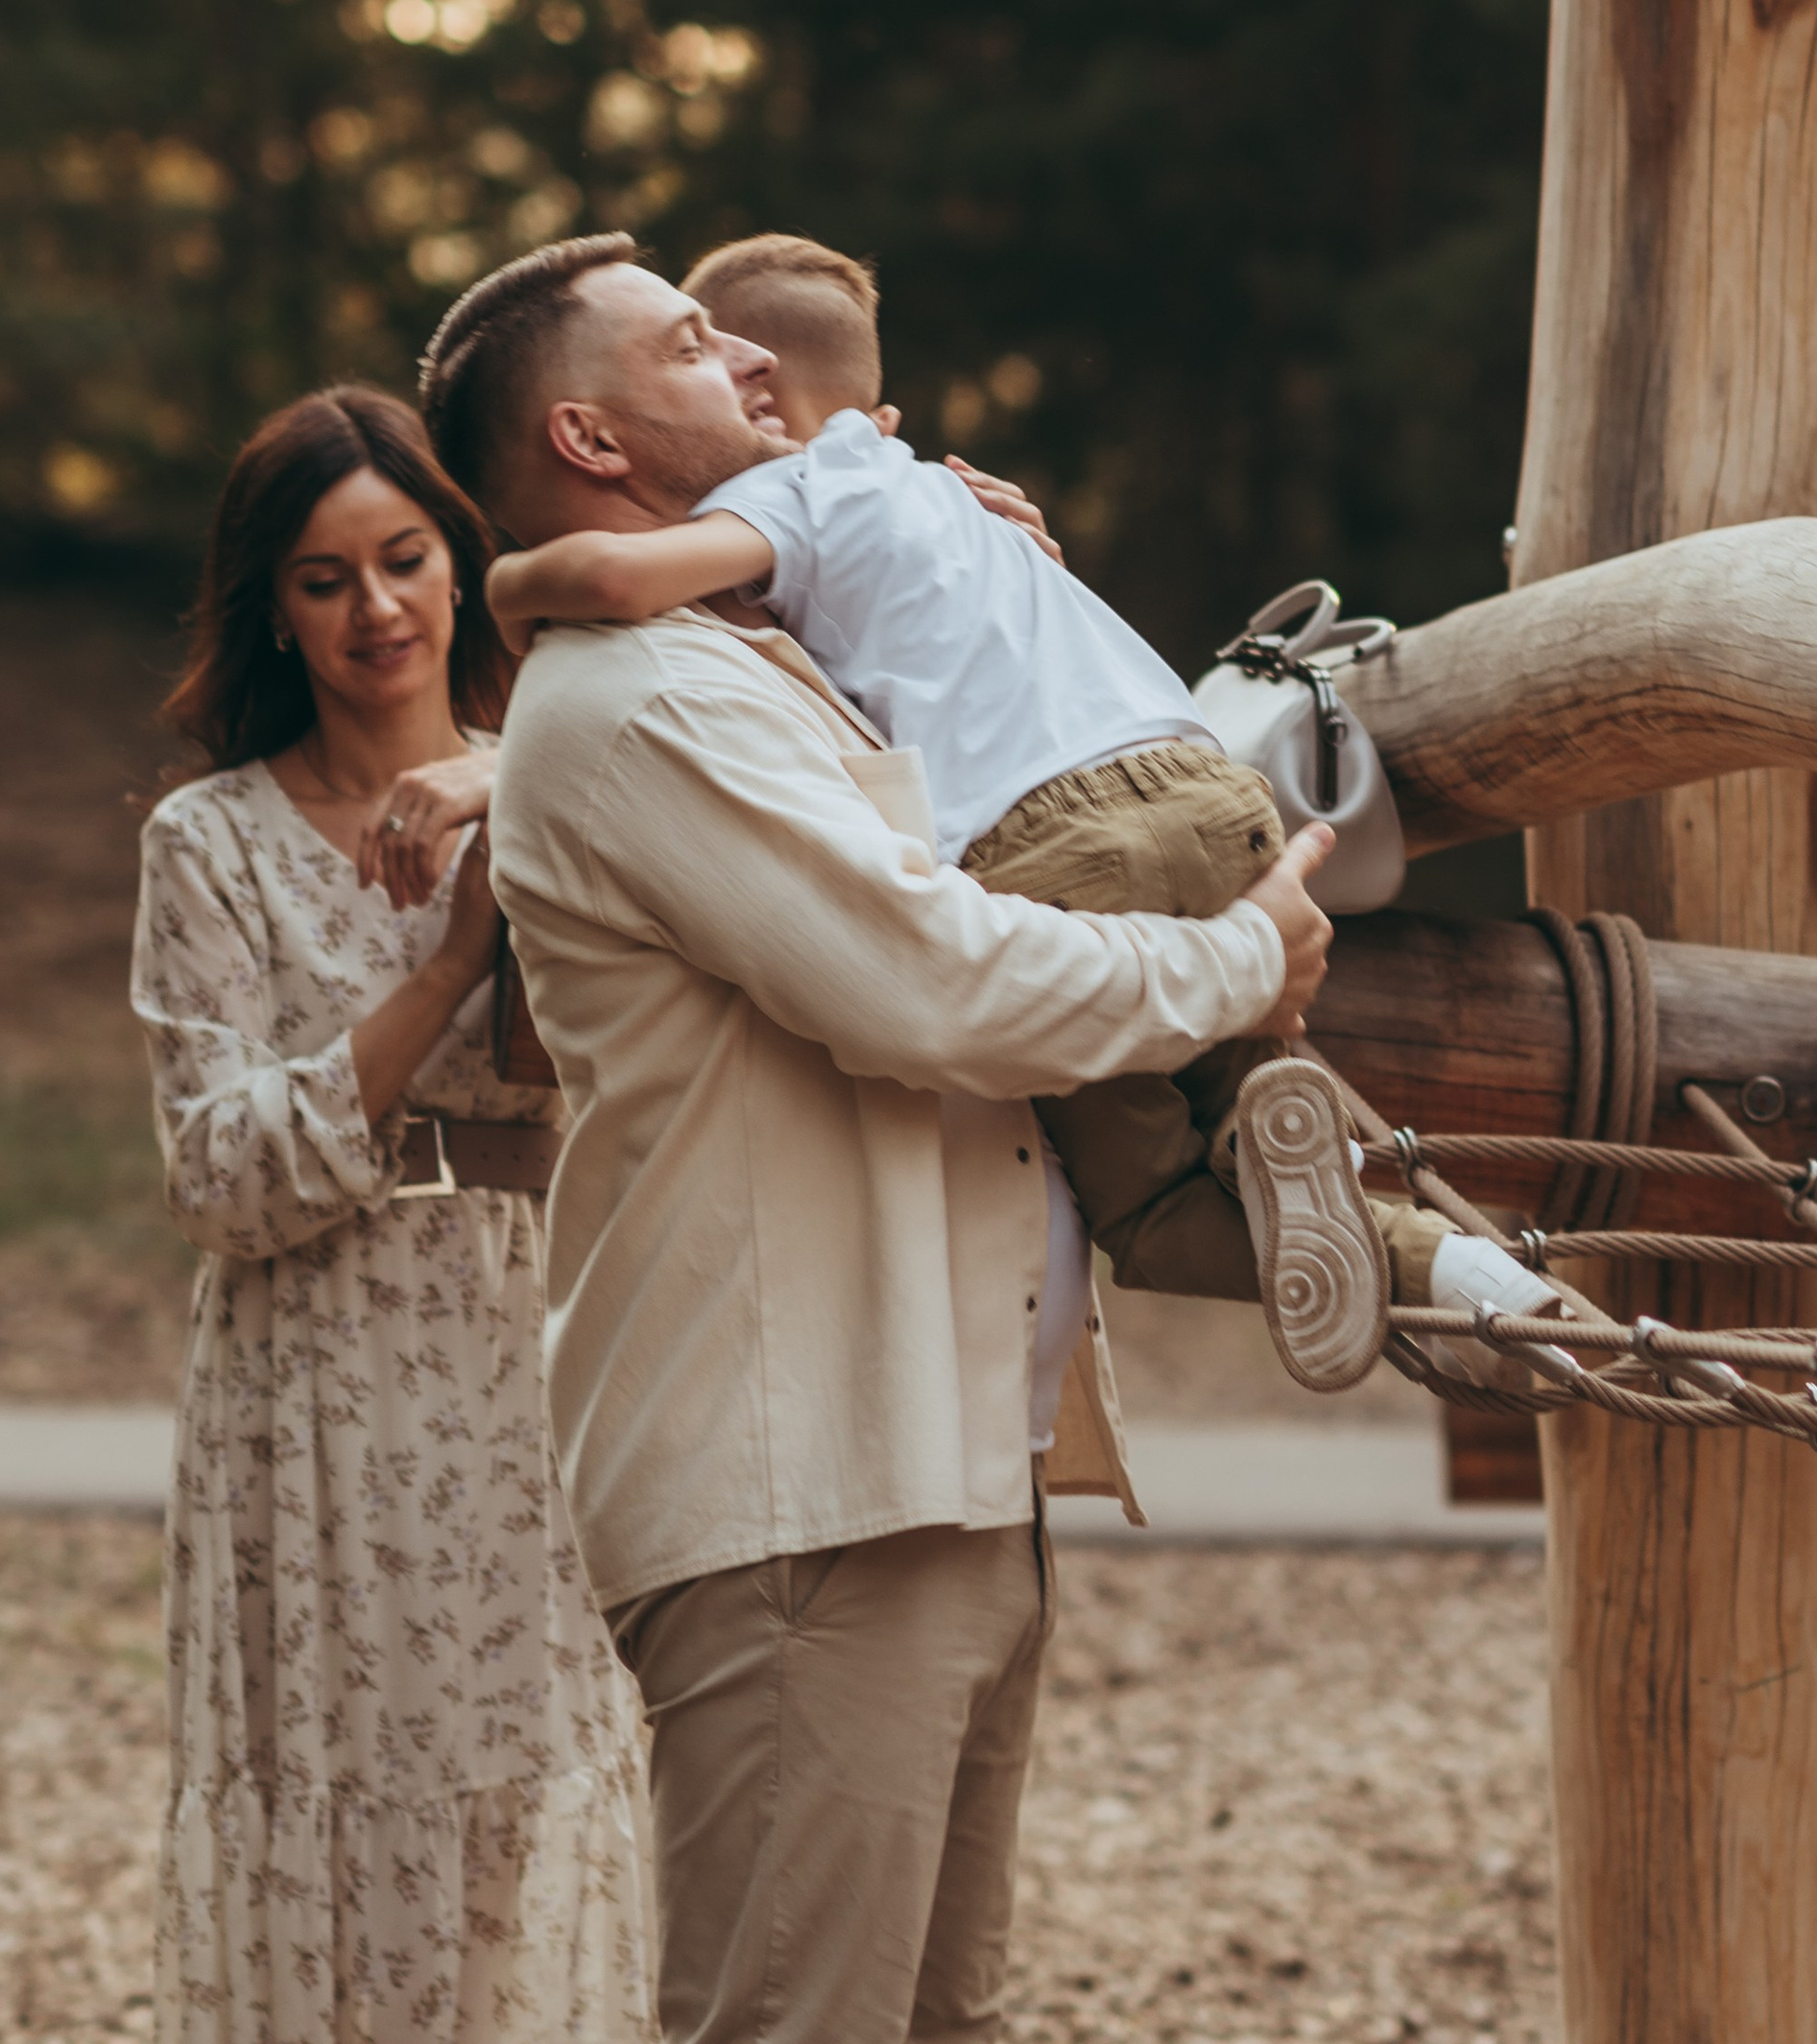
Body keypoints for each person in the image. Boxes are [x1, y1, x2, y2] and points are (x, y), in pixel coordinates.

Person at [418, 234, 1337, 2044]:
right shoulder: (636, 702)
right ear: (591, 439)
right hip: (790, 1460)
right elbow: (928, 978)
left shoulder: (758, 645)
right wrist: (1232, 950)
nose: (757, 366)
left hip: (945, 1442)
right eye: (692, 351)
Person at [488, 227, 1547, 1390]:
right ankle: (1469, 1276)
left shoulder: (792, 489)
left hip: (1062, 848)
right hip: (1213, 796)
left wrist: (505, 583)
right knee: (1248, 1121)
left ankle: (1443, 1279)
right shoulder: (923, 491)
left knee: (1148, 1209)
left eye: (719, 347)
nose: (723, 371)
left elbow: (612, 579)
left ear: (770, 395)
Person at [131, 383, 652, 2044]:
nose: (374, 608)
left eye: (407, 560)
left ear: (465, 563)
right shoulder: (208, 840)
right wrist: (441, 965)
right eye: (325, 575)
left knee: (455, 1894)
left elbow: (622, 1068)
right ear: (274, 603)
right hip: (301, 1399)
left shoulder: (564, 789)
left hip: (512, 1372)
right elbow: (227, 1170)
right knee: (291, 1915)